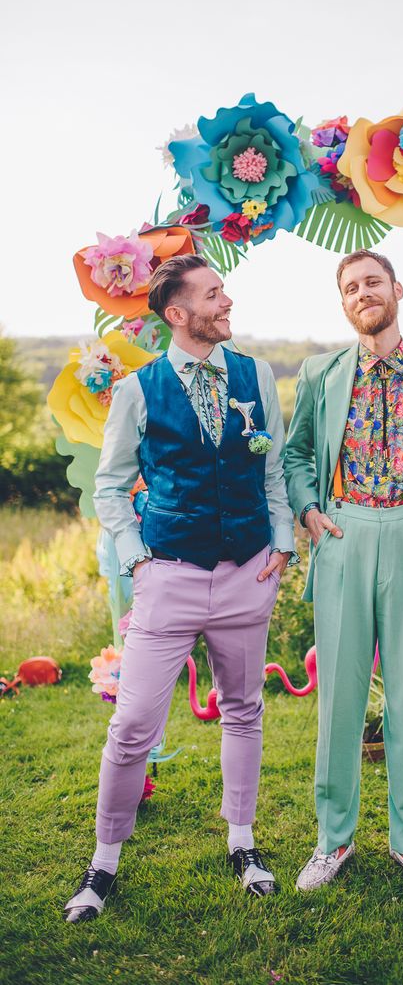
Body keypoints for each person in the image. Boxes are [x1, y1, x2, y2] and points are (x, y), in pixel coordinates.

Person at [63, 254, 295, 922]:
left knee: (243, 710)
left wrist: (280, 540)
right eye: (214, 295)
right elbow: (111, 486)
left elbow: (271, 466)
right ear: (177, 314)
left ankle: (243, 844)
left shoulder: (255, 375)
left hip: (248, 571)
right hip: (168, 577)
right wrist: (138, 560)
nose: (227, 302)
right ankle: (104, 861)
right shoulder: (140, 390)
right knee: (133, 725)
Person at [284, 249, 403, 894]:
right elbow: (297, 455)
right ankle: (333, 840)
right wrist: (310, 511)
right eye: (350, 288)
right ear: (343, 303)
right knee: (338, 697)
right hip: (344, 535)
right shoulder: (320, 374)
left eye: (373, 282)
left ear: (398, 289)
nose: (362, 293)